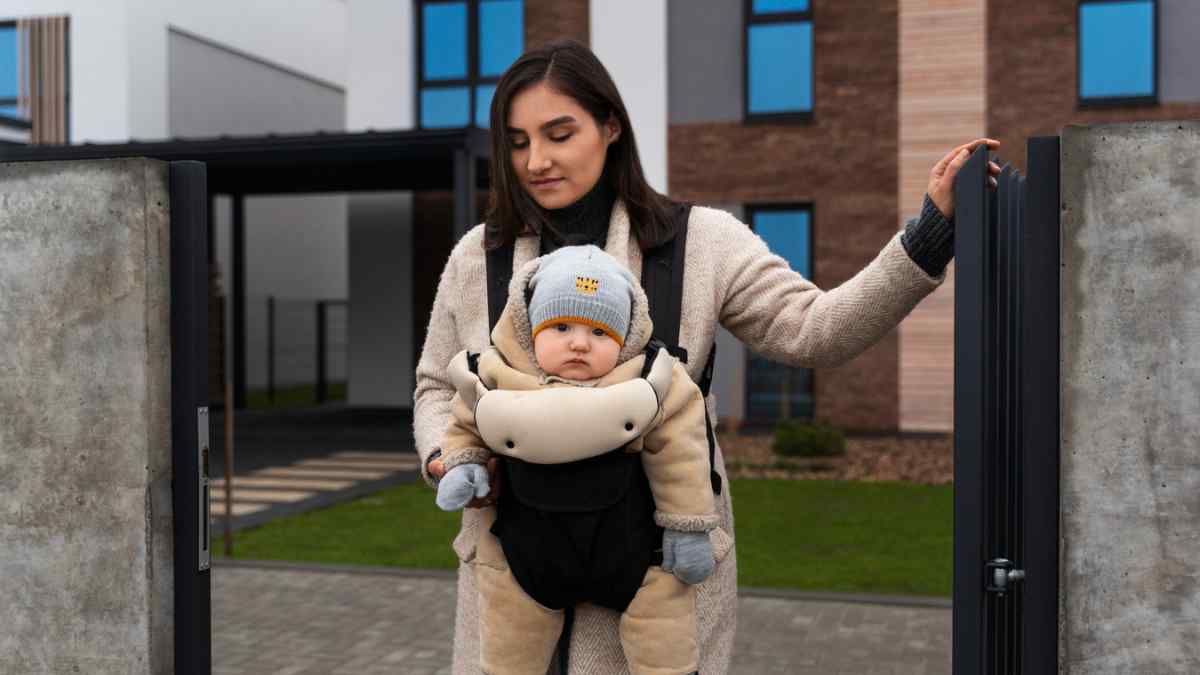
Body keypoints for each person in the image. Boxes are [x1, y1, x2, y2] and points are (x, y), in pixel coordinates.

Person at [414, 38, 1002, 674]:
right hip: (511, 584)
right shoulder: (478, 256)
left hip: (658, 585)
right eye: (519, 141)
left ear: (610, 126)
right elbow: (434, 387)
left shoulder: (700, 242)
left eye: (559, 133)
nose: (537, 161)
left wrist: (929, 236)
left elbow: (817, 329)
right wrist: (445, 461)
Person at [434, 243, 719, 674]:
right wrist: (465, 463)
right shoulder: (494, 374)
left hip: (633, 549)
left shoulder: (656, 381)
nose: (580, 344)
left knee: (664, 611)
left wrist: (687, 527)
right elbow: (465, 421)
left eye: (601, 332)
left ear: (627, 337)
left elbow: (682, 456)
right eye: (561, 326)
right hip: (528, 551)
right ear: (530, 330)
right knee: (512, 627)